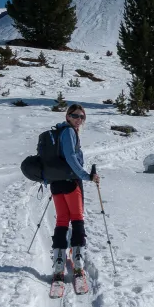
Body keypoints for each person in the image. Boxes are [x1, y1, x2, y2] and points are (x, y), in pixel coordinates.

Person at [50, 103, 99, 280]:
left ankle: (59, 261)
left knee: (62, 220)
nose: (79, 119)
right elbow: (71, 157)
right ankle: (77, 260)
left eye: (82, 117)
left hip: (56, 183)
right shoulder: (69, 132)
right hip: (71, 182)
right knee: (77, 219)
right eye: (75, 116)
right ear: (68, 116)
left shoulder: (59, 131)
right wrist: (86, 176)